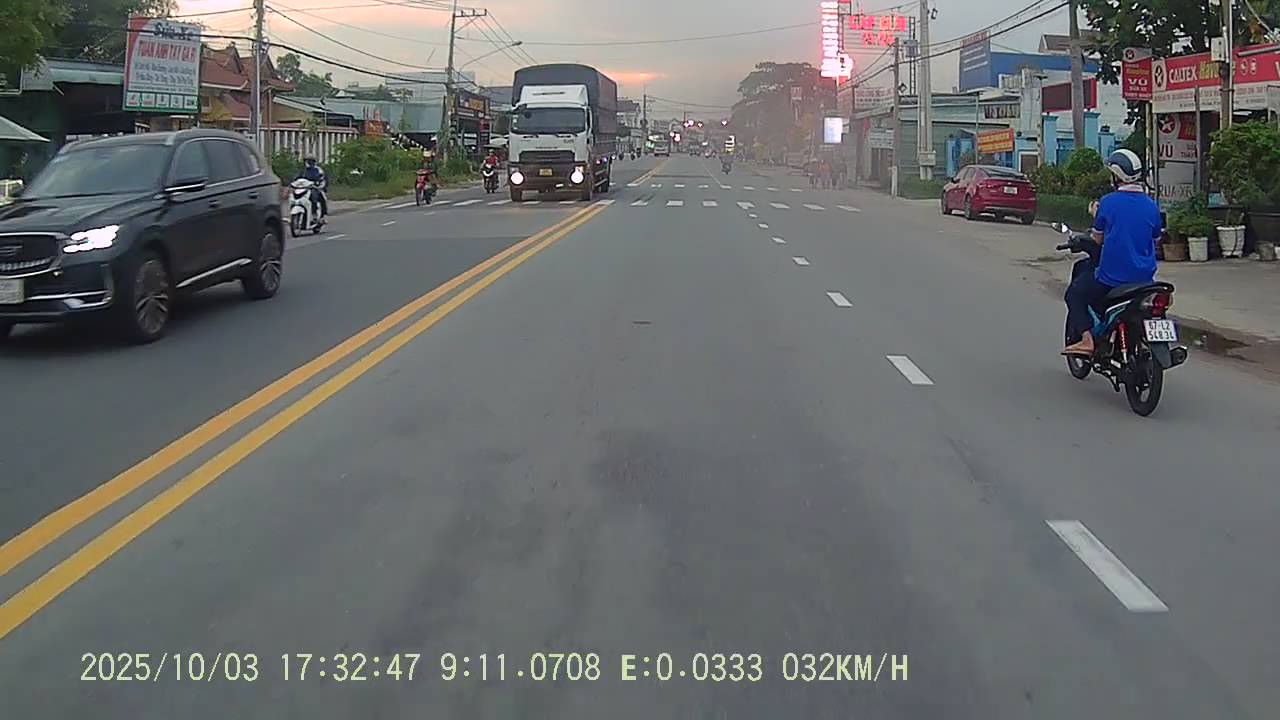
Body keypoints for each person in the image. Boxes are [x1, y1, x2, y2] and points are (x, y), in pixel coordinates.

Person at [1062, 149, 1161, 357]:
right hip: (1145, 278)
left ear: (1117, 176)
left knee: (1074, 293)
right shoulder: (1151, 205)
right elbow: (1155, 239)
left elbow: (1097, 239)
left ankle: (1087, 340)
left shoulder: (1108, 202)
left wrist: (1095, 214)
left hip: (1112, 277)